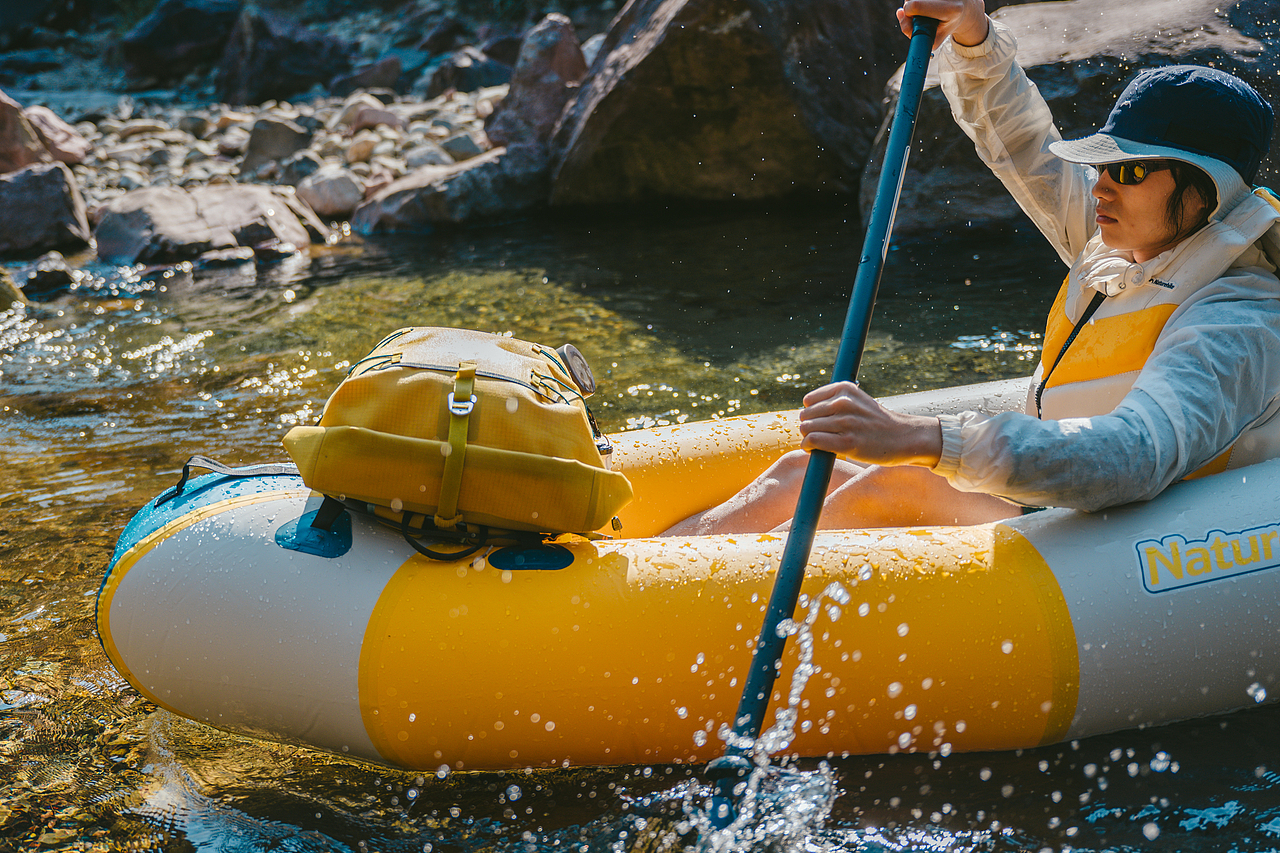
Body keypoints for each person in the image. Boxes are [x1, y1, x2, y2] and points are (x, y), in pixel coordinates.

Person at [664, 0, 1280, 536]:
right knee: (797, 472)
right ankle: (649, 576)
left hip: (1131, 531)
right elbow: (1024, 148)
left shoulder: (1240, 318)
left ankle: (699, 619)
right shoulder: (1117, 249)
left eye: (1131, 169)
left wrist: (927, 440)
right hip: (1052, 504)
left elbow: (1135, 455)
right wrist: (973, 38)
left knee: (895, 487)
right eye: (1101, 165)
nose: (1101, 187)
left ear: (1211, 189)